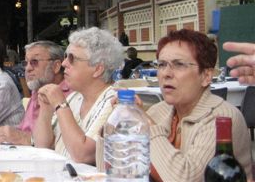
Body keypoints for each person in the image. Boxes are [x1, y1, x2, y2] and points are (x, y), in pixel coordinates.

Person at [97, 30, 252, 181]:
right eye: (162, 64)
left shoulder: (222, 118)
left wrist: (146, 122)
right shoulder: (160, 110)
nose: (166, 73)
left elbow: (185, 178)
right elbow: (110, 171)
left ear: (206, 76)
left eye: (179, 65)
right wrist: (117, 126)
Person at [32, 27, 122, 164]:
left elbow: (83, 155)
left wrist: (60, 105)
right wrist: (46, 109)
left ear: (97, 69)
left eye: (72, 58)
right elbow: (42, 146)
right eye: (65, 56)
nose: (64, 63)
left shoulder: (115, 102)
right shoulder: (75, 97)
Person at [0, 41, 70, 145]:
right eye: (25, 63)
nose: (27, 68)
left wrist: (26, 138)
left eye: (34, 62)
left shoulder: (70, 95)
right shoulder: (37, 91)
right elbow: (23, 131)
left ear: (56, 66)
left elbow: (63, 145)